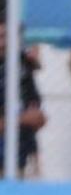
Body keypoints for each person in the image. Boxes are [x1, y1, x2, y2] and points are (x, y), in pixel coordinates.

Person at [0, 25, 46, 177]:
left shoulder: (20, 66)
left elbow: (38, 116)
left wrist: (37, 118)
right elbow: (28, 118)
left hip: (18, 154)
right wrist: (23, 119)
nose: (3, 44)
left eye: (6, 37)